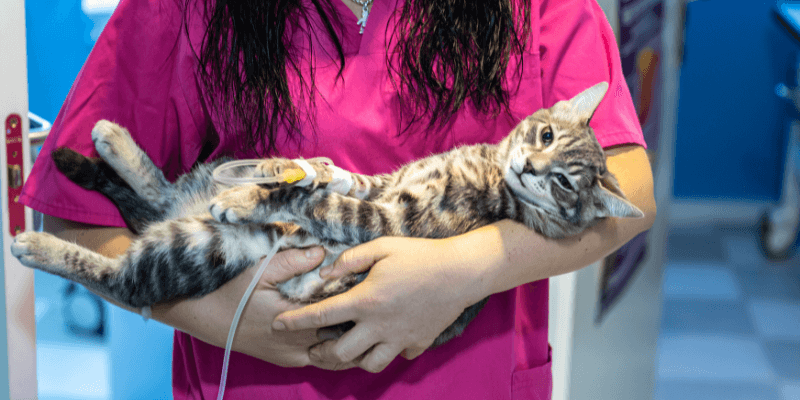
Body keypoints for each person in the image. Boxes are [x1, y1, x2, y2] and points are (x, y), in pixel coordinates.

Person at [20, 0, 656, 398]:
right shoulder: (187, 8)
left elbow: (630, 192)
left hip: (472, 378)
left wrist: (467, 270)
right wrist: (217, 315)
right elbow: (71, 215)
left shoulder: (533, 7)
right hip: (262, 382)